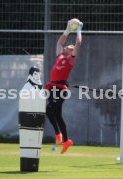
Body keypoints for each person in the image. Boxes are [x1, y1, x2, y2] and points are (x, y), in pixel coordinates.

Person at [46, 19, 83, 154]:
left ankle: (58, 135)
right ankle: (67, 141)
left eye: (70, 46)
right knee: (57, 115)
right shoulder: (60, 57)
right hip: (52, 88)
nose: (67, 46)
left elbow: (78, 43)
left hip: (60, 90)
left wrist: (79, 29)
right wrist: (67, 31)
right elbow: (59, 42)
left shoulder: (70, 59)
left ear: (72, 51)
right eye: (68, 46)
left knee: (49, 110)